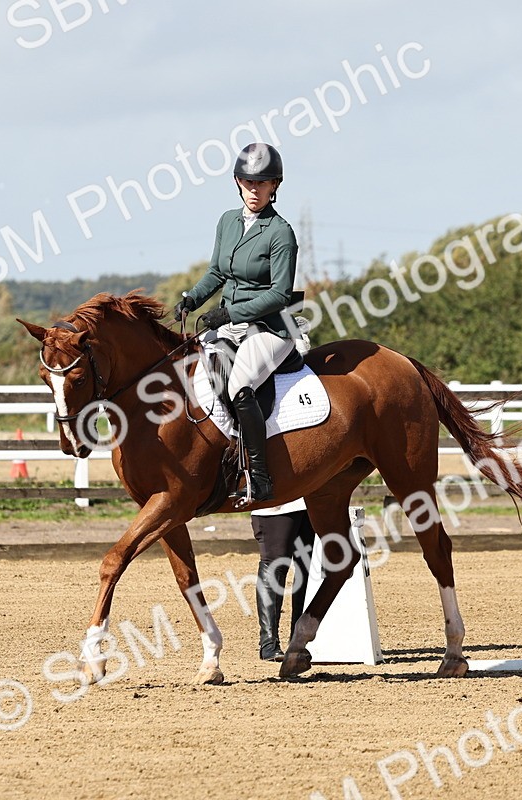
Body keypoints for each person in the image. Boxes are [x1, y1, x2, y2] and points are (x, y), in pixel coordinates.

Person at [173, 142, 298, 503]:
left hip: (271, 327)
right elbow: (216, 272)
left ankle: (259, 475)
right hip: (230, 324)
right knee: (191, 372)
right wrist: (193, 297)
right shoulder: (227, 221)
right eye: (247, 182)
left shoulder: (281, 233)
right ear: (237, 182)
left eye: (262, 183)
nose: (254, 190)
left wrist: (229, 313)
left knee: (238, 384)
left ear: (275, 186)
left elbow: (279, 294)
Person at [250, 499, 314, 661]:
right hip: (276, 504)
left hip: (312, 500)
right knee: (274, 566)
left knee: (308, 569)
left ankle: (299, 641)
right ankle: (269, 642)